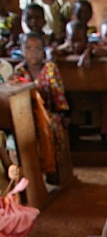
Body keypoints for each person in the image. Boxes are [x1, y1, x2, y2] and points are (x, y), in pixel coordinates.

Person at [11, 32, 68, 176]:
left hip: (50, 112)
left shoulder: (50, 68)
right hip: (26, 115)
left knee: (50, 125)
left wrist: (62, 113)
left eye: (38, 49)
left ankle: (51, 167)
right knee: (22, 132)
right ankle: (30, 170)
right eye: (28, 48)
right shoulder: (19, 71)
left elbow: (58, 95)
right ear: (22, 50)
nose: (33, 53)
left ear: (44, 51)